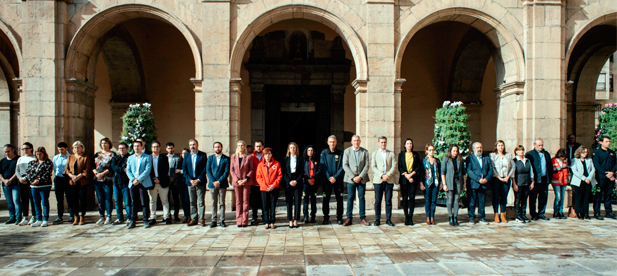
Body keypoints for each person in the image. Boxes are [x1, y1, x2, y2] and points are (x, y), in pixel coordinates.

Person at [342, 135, 370, 226]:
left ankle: (362, 218)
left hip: (361, 179)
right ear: (351, 142)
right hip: (351, 179)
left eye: (358, 140)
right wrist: (353, 177)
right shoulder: (347, 151)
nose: (356, 142)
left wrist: (360, 176)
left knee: (361, 198)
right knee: (350, 198)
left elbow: (367, 165)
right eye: (354, 140)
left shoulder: (365, 151)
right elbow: (345, 165)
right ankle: (348, 218)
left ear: (360, 141)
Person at [370, 136, 398, 227]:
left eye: (384, 142)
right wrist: (381, 175)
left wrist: (388, 175)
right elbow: (373, 166)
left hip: (389, 180)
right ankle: (377, 219)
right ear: (378, 143)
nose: (383, 144)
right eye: (381, 142)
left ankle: (388, 219)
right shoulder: (374, 154)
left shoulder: (391, 154)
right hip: (378, 180)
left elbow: (394, 166)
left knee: (388, 200)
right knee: (378, 201)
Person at [126, 140, 153, 228]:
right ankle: (133, 220)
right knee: (134, 202)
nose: (136, 148)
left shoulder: (147, 157)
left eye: (138, 146)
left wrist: (139, 179)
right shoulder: (130, 158)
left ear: (142, 147)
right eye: (135, 146)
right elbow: (128, 170)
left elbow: (147, 170)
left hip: (143, 182)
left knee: (144, 201)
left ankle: (145, 220)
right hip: (133, 182)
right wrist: (133, 179)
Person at [24, 147, 53, 227]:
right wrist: (32, 180)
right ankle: (39, 219)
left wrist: (39, 180)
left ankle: (45, 219)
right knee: (36, 202)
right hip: (34, 185)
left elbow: (47, 173)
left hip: (44, 185)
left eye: (40, 154)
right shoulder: (32, 162)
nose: (38, 156)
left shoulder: (48, 162)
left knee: (44, 202)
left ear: (44, 154)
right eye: (37, 154)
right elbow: (28, 172)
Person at [525, 138, 553, 221]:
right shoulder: (530, 154)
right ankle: (533, 214)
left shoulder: (546, 154)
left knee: (543, 197)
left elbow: (550, 167)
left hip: (544, 179)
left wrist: (549, 178)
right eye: (539, 145)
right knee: (533, 198)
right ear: (534, 145)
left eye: (542, 145)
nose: (541, 147)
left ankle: (541, 213)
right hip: (535, 180)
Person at [64, 141, 91, 225]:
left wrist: (78, 176)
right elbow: (67, 169)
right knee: (74, 199)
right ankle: (76, 216)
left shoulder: (85, 157)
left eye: (78, 147)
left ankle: (82, 217)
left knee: (82, 198)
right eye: (75, 147)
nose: (76, 149)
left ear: (82, 148)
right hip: (72, 182)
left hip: (82, 181)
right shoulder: (70, 157)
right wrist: (72, 176)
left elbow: (86, 170)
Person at [182, 139, 208, 226]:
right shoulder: (186, 156)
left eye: (194, 144)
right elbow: (184, 169)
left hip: (200, 182)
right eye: (190, 145)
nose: (192, 146)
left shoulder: (203, 155)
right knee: (192, 202)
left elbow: (205, 168)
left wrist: (198, 179)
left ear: (197, 145)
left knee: (201, 202)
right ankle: (194, 218)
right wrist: (190, 179)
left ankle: (201, 219)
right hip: (190, 182)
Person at [466, 142, 493, 224]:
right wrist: (478, 179)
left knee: (482, 201)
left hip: (484, 183)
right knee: (472, 201)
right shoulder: (469, 158)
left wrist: (486, 179)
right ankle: (471, 217)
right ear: (473, 149)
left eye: (480, 147)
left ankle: (481, 217)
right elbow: (469, 171)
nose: (479, 149)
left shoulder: (487, 158)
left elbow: (490, 170)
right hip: (474, 183)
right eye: (477, 147)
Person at [321, 135, 345, 225]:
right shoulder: (323, 153)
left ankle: (339, 218)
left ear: (336, 142)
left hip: (338, 181)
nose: (332, 143)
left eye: (334, 141)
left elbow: (342, 167)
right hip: (327, 181)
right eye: (330, 142)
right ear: (327, 143)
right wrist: (329, 177)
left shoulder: (341, 153)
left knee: (339, 200)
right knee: (326, 199)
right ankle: (326, 217)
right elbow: (323, 166)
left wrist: (335, 177)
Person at [256, 148, 282, 229]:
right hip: (264, 189)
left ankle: (272, 221)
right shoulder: (260, 165)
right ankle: (266, 221)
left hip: (274, 188)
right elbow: (258, 177)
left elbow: (279, 175)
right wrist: (265, 186)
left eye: (269, 153)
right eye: (266, 154)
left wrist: (273, 185)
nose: (267, 155)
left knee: (272, 205)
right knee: (265, 205)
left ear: (271, 154)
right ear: (263, 155)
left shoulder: (276, 164)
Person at [489, 140, 515, 223]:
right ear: (496, 147)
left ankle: (503, 214)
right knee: (496, 196)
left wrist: (508, 176)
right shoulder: (493, 155)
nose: (501, 147)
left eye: (502, 145)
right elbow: (492, 167)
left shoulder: (508, 155)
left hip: (506, 179)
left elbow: (513, 167)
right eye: (499, 145)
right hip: (496, 179)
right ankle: (496, 214)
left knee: (504, 197)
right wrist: (498, 176)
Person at [591, 136, 616, 220]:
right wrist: (606, 173)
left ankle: (609, 212)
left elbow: (616, 164)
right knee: (598, 195)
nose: (608, 143)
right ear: (601, 142)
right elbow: (597, 165)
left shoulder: (612, 153)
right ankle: (597, 212)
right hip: (601, 177)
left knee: (608, 195)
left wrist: (612, 172)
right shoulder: (596, 153)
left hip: (611, 177)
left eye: (609, 141)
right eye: (606, 141)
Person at [92, 138, 116, 225]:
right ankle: (102, 216)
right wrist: (96, 173)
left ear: (109, 144)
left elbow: (112, 167)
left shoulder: (112, 154)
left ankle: (109, 216)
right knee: (100, 199)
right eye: (102, 143)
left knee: (108, 198)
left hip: (107, 179)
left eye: (105, 143)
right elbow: (92, 166)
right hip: (97, 179)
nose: (104, 145)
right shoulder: (97, 154)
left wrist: (103, 173)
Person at [230, 140, 254, 227]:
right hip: (237, 182)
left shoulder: (248, 157)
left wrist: (246, 179)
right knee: (238, 201)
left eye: (242, 145)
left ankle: (244, 220)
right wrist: (237, 180)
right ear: (237, 147)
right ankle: (238, 220)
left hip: (246, 182)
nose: (240, 147)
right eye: (239, 145)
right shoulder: (233, 157)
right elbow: (231, 170)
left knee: (245, 201)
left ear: (244, 147)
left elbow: (251, 169)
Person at [206, 142, 230, 228]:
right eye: (215, 147)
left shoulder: (226, 158)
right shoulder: (210, 158)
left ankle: (222, 220)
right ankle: (213, 220)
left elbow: (226, 172)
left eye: (219, 147)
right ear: (214, 148)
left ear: (222, 147)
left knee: (222, 203)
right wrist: (213, 181)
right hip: (212, 184)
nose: (217, 148)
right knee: (213, 203)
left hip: (222, 184)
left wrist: (219, 181)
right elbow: (208, 171)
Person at [398, 138, 422, 226]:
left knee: (412, 198)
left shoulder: (416, 155)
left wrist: (411, 175)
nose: (409, 145)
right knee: (404, 198)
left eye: (411, 143)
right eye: (408, 143)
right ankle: (406, 216)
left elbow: (418, 166)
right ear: (405, 145)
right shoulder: (401, 155)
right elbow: (400, 167)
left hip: (413, 179)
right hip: (404, 179)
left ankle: (411, 216)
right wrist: (406, 175)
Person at [441, 144, 466, 226]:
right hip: (449, 182)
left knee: (457, 199)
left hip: (458, 181)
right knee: (450, 199)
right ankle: (450, 216)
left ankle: (455, 216)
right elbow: (443, 173)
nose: (455, 153)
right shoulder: (446, 159)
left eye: (456, 151)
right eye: (454, 151)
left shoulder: (460, 160)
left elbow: (463, 173)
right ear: (450, 151)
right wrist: (444, 184)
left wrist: (464, 183)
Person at [148, 141, 171, 225]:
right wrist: (153, 179)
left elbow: (166, 170)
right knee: (152, 201)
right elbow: (147, 170)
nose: (155, 148)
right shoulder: (148, 158)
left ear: (159, 148)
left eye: (157, 146)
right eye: (154, 147)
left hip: (162, 182)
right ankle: (153, 217)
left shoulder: (164, 157)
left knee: (164, 200)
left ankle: (166, 216)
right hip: (152, 182)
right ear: (151, 148)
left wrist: (159, 179)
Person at [571, 146, 595, 220]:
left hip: (588, 181)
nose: (585, 154)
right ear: (580, 152)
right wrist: (584, 178)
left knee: (586, 197)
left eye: (586, 152)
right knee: (579, 197)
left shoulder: (589, 160)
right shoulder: (575, 160)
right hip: (579, 181)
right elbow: (575, 171)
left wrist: (589, 178)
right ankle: (579, 212)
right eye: (583, 152)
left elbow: (593, 169)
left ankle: (586, 213)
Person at [283, 142, 304, 228]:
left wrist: (296, 180)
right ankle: (290, 220)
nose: (292, 149)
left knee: (297, 201)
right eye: (291, 148)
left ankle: (296, 219)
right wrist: (289, 181)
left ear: (296, 149)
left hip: (297, 181)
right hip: (288, 182)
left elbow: (302, 172)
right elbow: (284, 172)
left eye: (294, 147)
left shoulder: (300, 159)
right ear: (289, 149)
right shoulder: (285, 159)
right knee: (289, 202)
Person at [111, 142, 131, 225]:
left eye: (123, 148)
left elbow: (128, 168)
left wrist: (120, 169)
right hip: (116, 182)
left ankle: (129, 218)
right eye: (120, 148)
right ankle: (120, 218)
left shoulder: (129, 157)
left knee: (127, 202)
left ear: (127, 149)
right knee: (117, 201)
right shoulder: (115, 158)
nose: (121, 150)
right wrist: (122, 169)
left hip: (126, 182)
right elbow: (113, 167)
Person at [512, 145, 534, 223]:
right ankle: (518, 215)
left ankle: (523, 214)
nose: (521, 152)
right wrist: (514, 184)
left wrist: (532, 182)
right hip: (518, 183)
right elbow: (513, 174)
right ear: (516, 152)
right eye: (519, 150)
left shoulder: (527, 160)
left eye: (522, 150)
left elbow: (531, 172)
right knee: (518, 200)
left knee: (524, 200)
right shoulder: (514, 161)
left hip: (526, 182)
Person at [16, 142, 36, 225]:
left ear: (31, 148)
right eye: (23, 149)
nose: (25, 150)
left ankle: (34, 216)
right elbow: (17, 170)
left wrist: (26, 178)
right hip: (21, 181)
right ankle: (25, 217)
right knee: (23, 199)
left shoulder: (34, 158)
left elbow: (33, 170)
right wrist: (20, 177)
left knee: (32, 199)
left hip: (30, 180)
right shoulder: (20, 159)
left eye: (26, 148)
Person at [0, 144, 20, 224]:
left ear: (12, 150)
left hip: (15, 184)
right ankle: (12, 217)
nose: (7, 153)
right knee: (9, 201)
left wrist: (10, 180)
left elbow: (18, 171)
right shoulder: (2, 161)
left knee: (16, 200)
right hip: (5, 185)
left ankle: (18, 217)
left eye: (8, 151)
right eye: (5, 152)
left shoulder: (18, 159)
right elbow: (0, 173)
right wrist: (4, 180)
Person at [52, 142, 71, 225]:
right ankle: (60, 216)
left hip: (67, 178)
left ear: (66, 149)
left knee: (69, 198)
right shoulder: (56, 158)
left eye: (62, 149)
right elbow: (55, 168)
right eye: (59, 149)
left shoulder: (70, 157)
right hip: (59, 178)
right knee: (59, 199)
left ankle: (72, 215)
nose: (61, 151)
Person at [421, 144, 440, 225]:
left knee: (434, 200)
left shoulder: (437, 161)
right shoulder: (423, 161)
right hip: (427, 182)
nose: (431, 151)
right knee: (427, 200)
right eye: (430, 150)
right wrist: (421, 183)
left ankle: (432, 216)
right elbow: (421, 173)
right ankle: (427, 217)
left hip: (435, 183)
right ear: (426, 151)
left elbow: (440, 172)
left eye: (432, 150)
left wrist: (441, 183)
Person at [166, 143, 186, 222]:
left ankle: (176, 215)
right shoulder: (164, 158)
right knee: (166, 199)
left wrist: (173, 177)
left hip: (175, 181)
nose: (170, 149)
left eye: (171, 148)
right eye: (168, 148)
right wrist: (167, 178)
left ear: (174, 148)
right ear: (166, 149)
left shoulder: (177, 158)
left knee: (175, 199)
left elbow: (177, 169)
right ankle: (168, 215)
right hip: (166, 181)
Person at [302, 145, 322, 223]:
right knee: (305, 200)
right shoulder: (303, 160)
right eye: (309, 150)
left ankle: (313, 216)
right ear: (306, 152)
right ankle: (305, 216)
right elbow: (302, 171)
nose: (310, 152)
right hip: (305, 183)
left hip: (314, 183)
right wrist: (308, 179)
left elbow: (319, 170)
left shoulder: (316, 160)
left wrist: (313, 179)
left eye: (311, 150)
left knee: (313, 200)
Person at [551, 148, 570, 219]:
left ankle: (560, 211)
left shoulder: (565, 161)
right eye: (562, 156)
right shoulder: (553, 160)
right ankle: (555, 211)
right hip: (556, 181)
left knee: (562, 198)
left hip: (564, 181)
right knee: (558, 197)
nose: (563, 158)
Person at [250, 140, 265, 225]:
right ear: (254, 147)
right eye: (257, 146)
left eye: (260, 146)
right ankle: (254, 217)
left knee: (264, 201)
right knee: (254, 202)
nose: (258, 148)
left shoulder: (266, 156)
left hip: (264, 183)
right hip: (254, 182)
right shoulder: (251, 157)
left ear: (262, 147)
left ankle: (264, 217)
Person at [173, 148, 190, 223]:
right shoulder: (179, 162)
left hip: (187, 182)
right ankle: (185, 215)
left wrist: (181, 171)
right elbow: (176, 171)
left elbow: (189, 171)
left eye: (186, 153)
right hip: (180, 183)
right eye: (183, 153)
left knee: (187, 200)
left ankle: (189, 216)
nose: (184, 155)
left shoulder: (189, 161)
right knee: (182, 200)